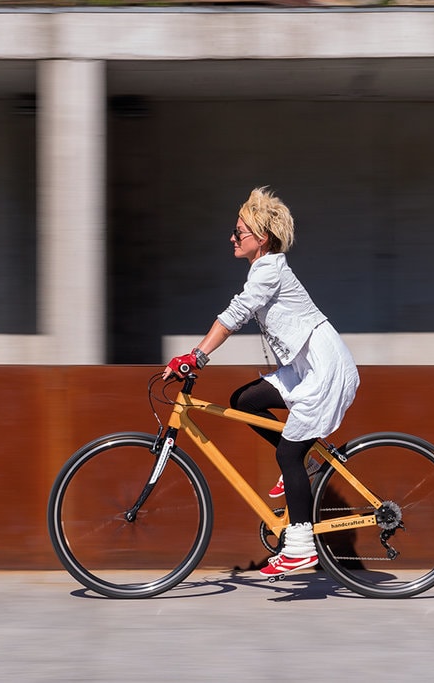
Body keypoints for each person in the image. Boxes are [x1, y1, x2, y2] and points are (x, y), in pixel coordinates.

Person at [163, 187, 360, 578]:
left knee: (286, 455)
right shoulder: (264, 269)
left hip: (323, 368)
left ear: (262, 238)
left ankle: (301, 548)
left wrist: (197, 355)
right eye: (234, 232)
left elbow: (237, 312)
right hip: (303, 366)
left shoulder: (269, 268)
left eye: (240, 232)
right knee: (245, 400)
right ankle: (307, 457)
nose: (232, 238)